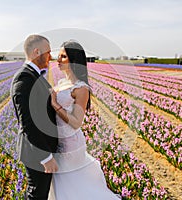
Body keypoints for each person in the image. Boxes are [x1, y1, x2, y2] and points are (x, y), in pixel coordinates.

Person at [48, 40, 120, 199]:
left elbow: (76, 122)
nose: (58, 60)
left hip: (70, 144)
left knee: (71, 183)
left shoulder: (81, 88)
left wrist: (54, 104)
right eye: (58, 56)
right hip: (58, 140)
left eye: (63, 56)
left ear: (74, 59)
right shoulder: (61, 83)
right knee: (62, 184)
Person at [11, 34, 59, 200]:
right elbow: (28, 123)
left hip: (42, 148)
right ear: (37, 51)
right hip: (36, 153)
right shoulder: (25, 78)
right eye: (48, 52)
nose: (50, 56)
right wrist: (45, 157)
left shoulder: (34, 75)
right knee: (37, 195)